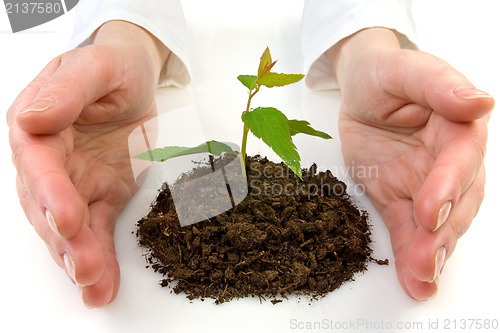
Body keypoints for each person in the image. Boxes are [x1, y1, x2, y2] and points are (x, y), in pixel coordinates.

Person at [6, 0, 494, 308]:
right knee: (227, 173)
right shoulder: (213, 185)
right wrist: (125, 32)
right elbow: (33, 9)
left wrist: (367, 40)